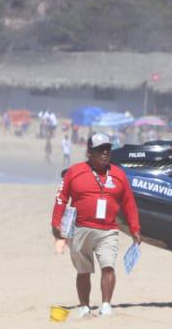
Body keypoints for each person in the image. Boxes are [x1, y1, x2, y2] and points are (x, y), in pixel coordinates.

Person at [50, 133, 142, 318]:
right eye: (100, 149)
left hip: (108, 230)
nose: (105, 152)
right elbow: (61, 198)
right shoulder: (74, 172)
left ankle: (106, 305)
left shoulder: (118, 174)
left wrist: (135, 228)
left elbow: (129, 203)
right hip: (80, 228)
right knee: (84, 270)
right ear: (89, 152)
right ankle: (84, 306)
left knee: (108, 266)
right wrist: (55, 223)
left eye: (107, 148)